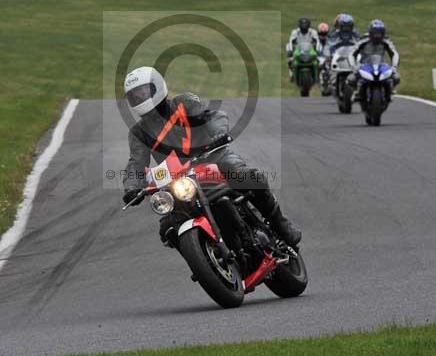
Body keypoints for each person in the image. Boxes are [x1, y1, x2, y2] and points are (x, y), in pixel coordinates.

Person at [122, 67, 302, 246]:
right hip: (177, 179)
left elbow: (210, 117)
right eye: (134, 96)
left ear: (157, 86)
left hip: (212, 157)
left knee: (250, 178)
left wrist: (218, 134)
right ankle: (206, 263)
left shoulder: (183, 103)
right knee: (168, 229)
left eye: (143, 92)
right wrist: (132, 187)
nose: (140, 98)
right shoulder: (138, 132)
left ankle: (281, 226)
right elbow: (136, 162)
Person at [352, 19, 400, 87]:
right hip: (364, 65)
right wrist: (354, 66)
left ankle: (390, 90)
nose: (377, 36)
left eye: (379, 33)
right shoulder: (363, 41)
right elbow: (352, 53)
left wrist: (394, 66)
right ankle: (356, 92)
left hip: (381, 64)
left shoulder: (386, 42)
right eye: (375, 33)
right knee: (351, 79)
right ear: (371, 33)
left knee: (396, 77)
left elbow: (394, 54)